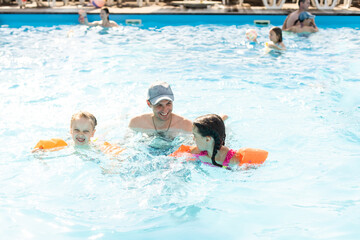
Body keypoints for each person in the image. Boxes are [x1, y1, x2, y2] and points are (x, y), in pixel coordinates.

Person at [170, 114, 268, 169]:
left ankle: (222, 119)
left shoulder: (233, 160)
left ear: (207, 139)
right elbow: (175, 158)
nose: (193, 139)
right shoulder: (197, 151)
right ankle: (221, 119)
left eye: (195, 136)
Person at [33, 111, 124, 155]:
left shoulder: (97, 148)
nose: (80, 134)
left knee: (104, 134)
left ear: (92, 133)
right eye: (77, 130)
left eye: (85, 131)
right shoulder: (65, 146)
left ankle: (118, 120)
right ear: (71, 130)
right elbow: (39, 150)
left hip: (96, 140)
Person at [129, 82, 193, 136]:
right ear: (149, 104)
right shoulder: (137, 123)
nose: (165, 110)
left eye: (168, 103)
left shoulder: (186, 125)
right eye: (159, 105)